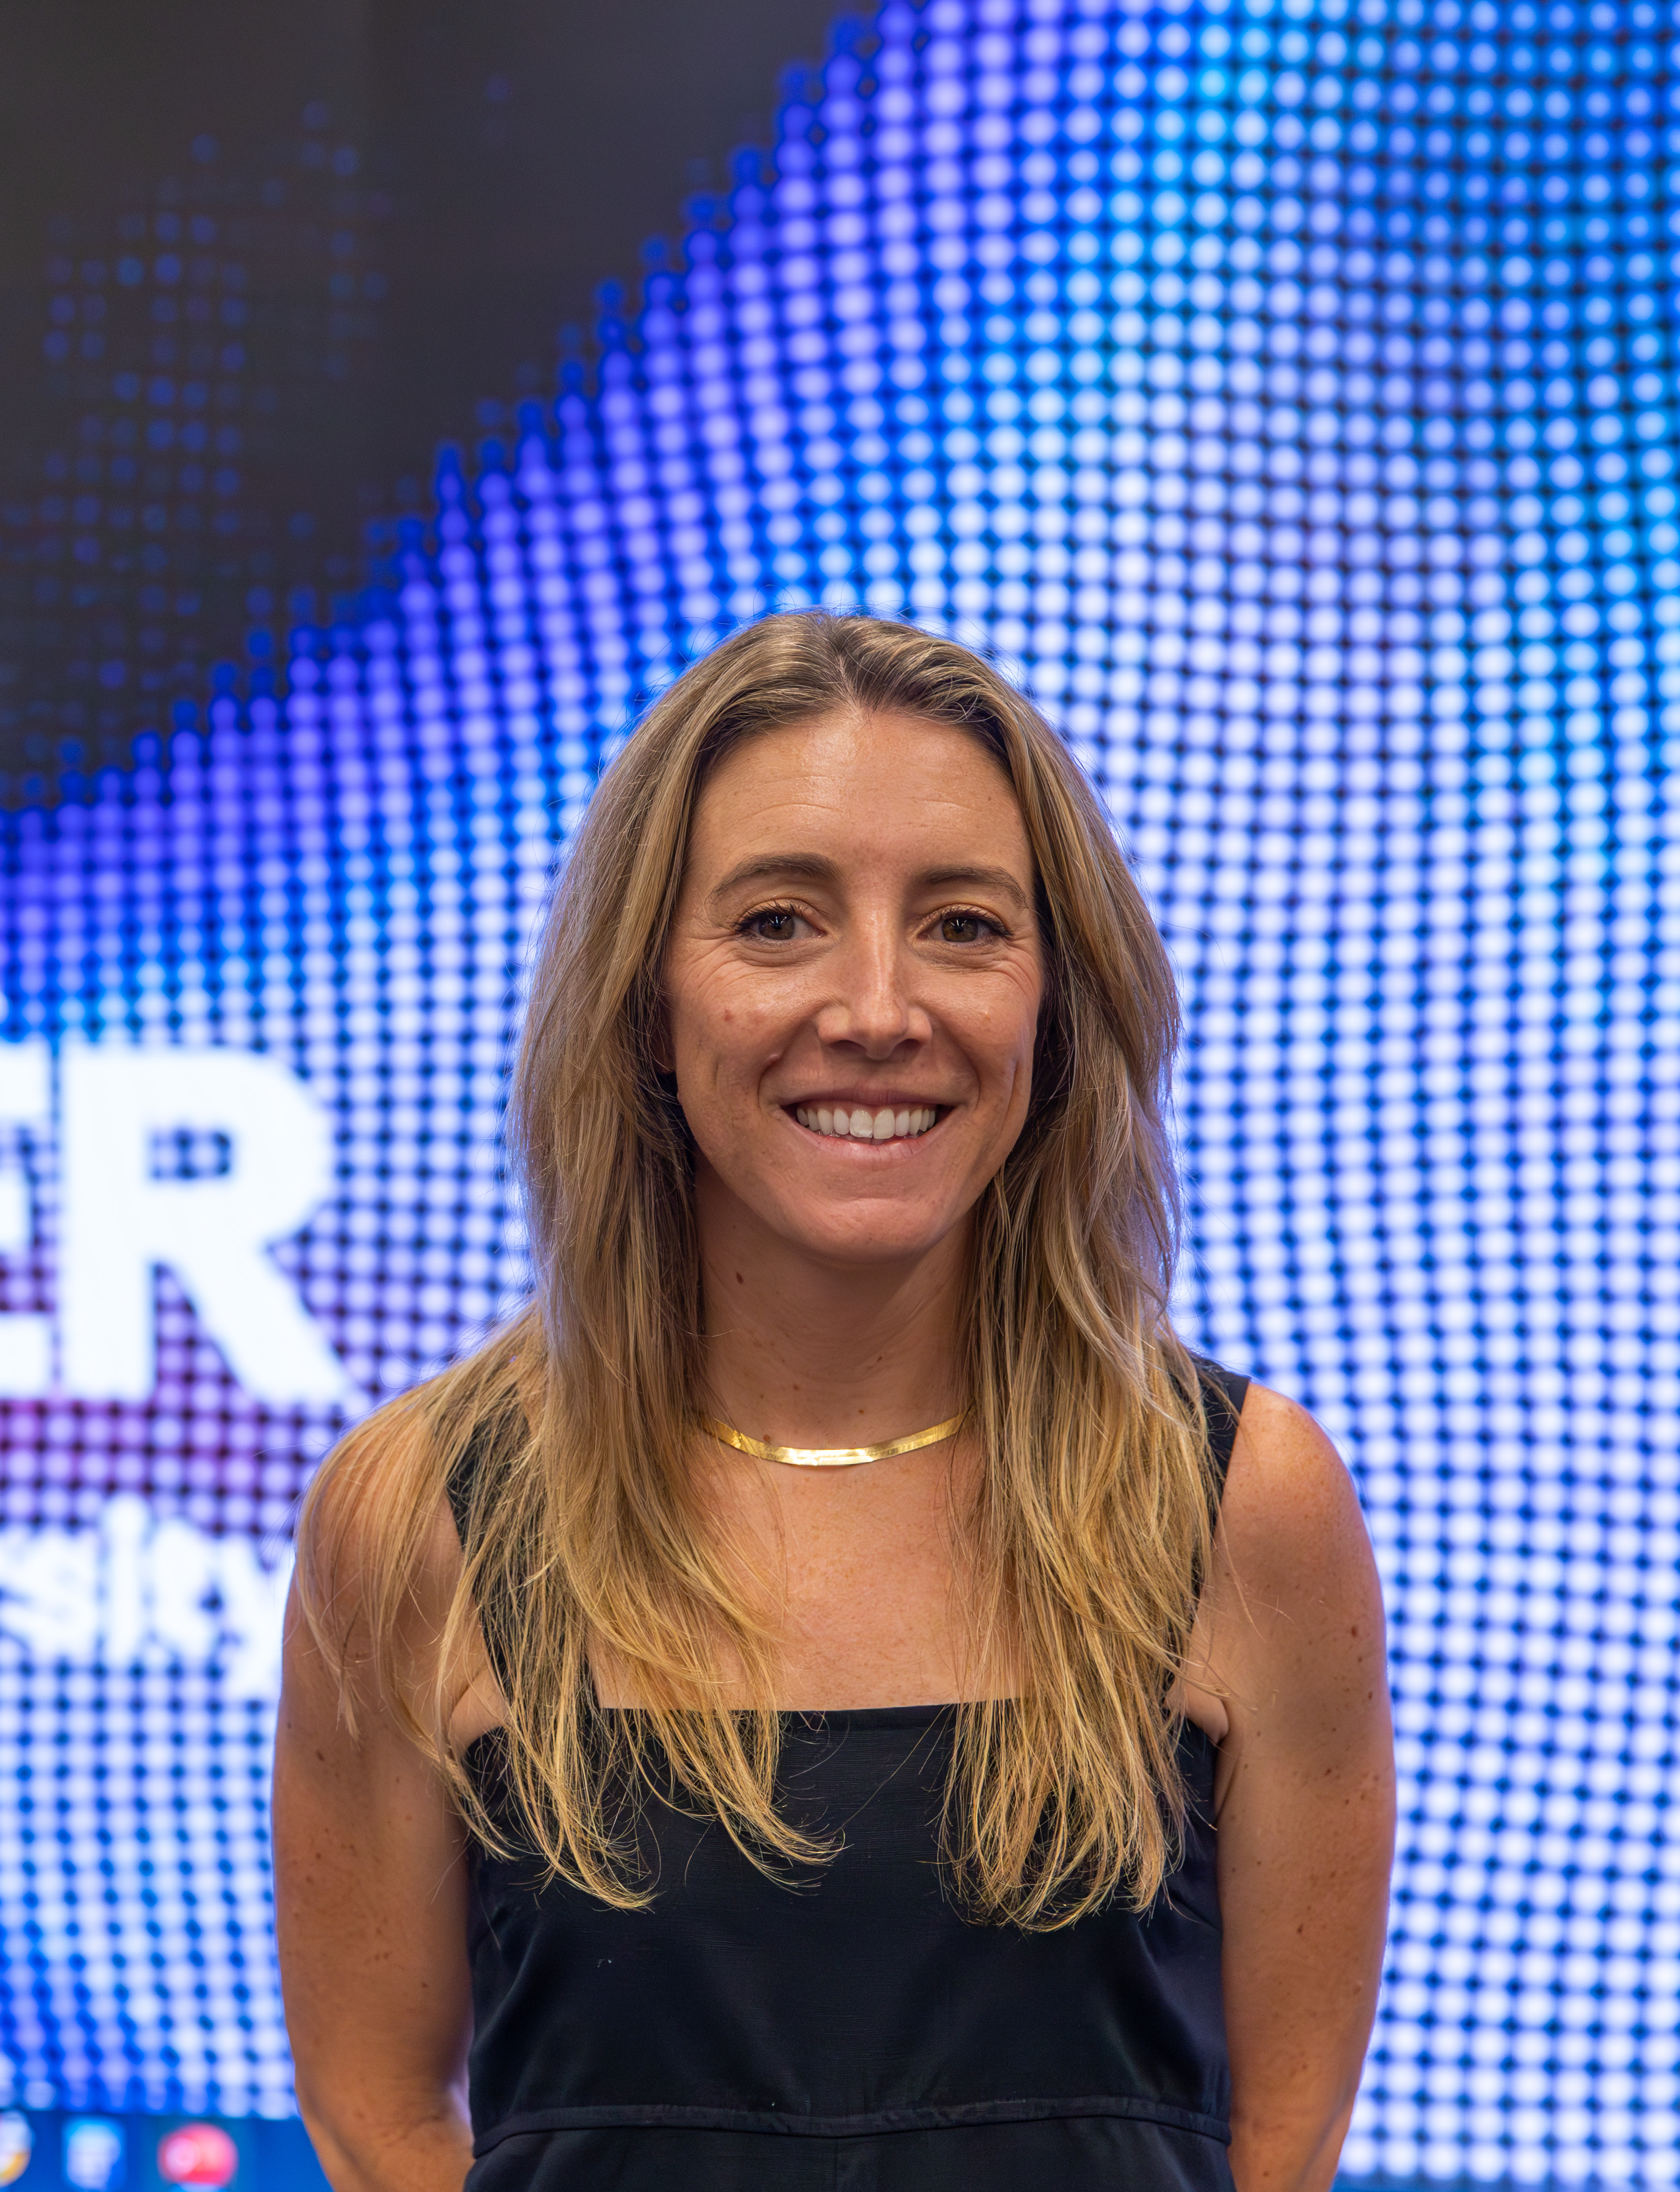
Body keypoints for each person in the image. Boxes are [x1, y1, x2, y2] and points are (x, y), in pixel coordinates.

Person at [275, 612, 1394, 2191]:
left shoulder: (1238, 1499)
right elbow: (376, 2118)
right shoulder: (418, 1514)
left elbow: (1280, 2147)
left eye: (962, 926)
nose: (877, 1008)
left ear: (1055, 1004)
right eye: (780, 921)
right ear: (646, 998)